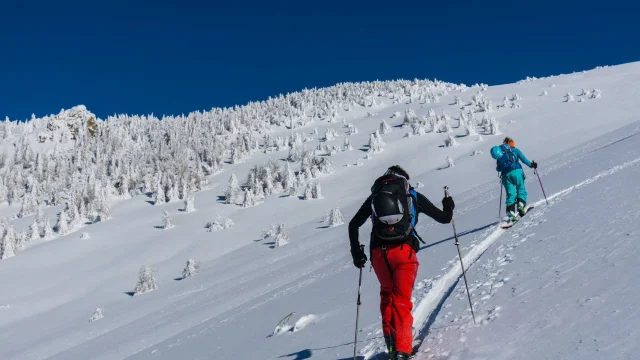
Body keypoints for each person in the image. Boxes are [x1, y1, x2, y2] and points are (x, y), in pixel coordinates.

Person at [348, 165, 454, 360]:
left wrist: (357, 253)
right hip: (404, 253)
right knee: (401, 301)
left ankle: (391, 342)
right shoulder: (412, 195)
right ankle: (403, 350)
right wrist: (448, 204)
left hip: (379, 254)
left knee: (387, 295)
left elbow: (353, 224)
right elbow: (445, 219)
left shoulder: (375, 197)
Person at [490, 137, 538, 222]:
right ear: (511, 143)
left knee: (510, 194)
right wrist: (532, 165)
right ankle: (521, 204)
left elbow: (498, 168)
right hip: (517, 172)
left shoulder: (500, 153)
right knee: (520, 188)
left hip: (506, 176)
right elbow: (524, 160)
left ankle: (510, 212)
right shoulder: (515, 150)